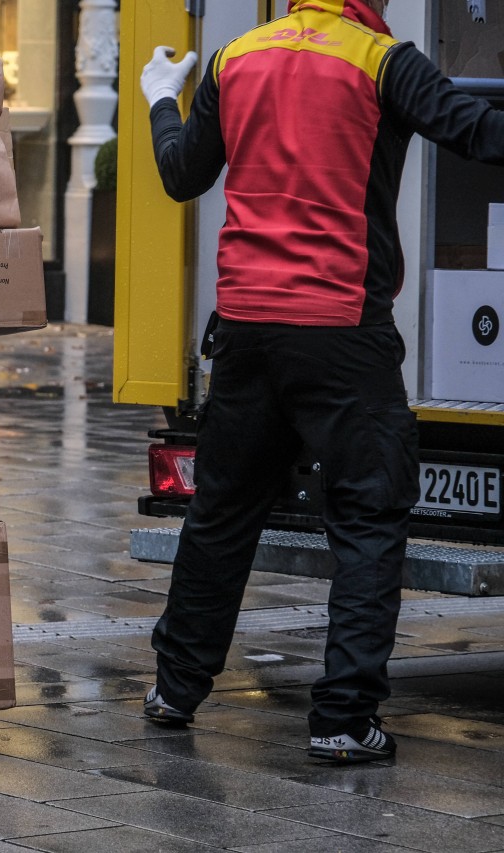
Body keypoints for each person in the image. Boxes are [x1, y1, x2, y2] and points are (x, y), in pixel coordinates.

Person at [137, 0, 504, 763]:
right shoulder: (380, 60)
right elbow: (480, 133)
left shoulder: (238, 56)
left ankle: (175, 687)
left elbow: (181, 176)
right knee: (368, 519)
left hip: (244, 328)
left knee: (223, 513)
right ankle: (343, 717)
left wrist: (161, 99)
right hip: (341, 331)